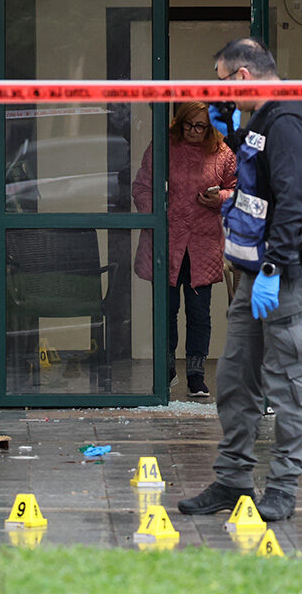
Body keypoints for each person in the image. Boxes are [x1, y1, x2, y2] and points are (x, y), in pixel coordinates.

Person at [178, 38, 302, 523]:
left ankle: (283, 488)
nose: (217, 93)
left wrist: (271, 268)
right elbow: (253, 192)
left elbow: (291, 203)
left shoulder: (288, 120)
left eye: (221, 83)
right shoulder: (261, 120)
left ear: (242, 77)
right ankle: (232, 480)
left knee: (288, 382)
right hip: (257, 274)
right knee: (235, 378)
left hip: (286, 273)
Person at [132, 101, 236, 397]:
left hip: (202, 244)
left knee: (199, 312)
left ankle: (196, 375)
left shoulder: (222, 153)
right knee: (167, 309)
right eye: (188, 125)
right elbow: (142, 186)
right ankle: (165, 371)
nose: (193, 131)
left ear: (210, 128)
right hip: (167, 240)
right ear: (179, 124)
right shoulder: (164, 146)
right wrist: (157, 214)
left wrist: (218, 199)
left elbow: (239, 190)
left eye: (200, 126)